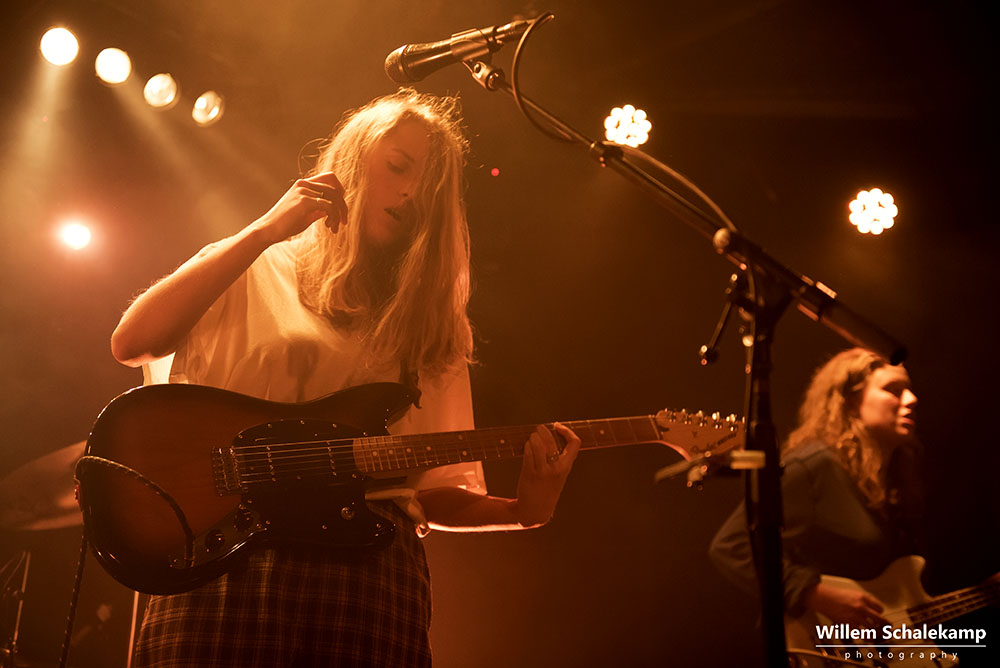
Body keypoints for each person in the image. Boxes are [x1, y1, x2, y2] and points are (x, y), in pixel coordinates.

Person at [110, 89, 581, 667]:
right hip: (227, 556)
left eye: (429, 189)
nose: (410, 194)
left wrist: (522, 511)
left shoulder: (428, 324)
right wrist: (263, 231)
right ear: (353, 164)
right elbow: (133, 343)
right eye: (397, 167)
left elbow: (432, 492)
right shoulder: (255, 266)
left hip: (369, 579)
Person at [709, 348, 923, 627]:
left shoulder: (893, 480)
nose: (912, 399)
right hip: (818, 644)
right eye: (893, 390)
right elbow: (732, 545)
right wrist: (814, 594)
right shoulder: (813, 466)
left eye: (909, 389)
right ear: (849, 401)